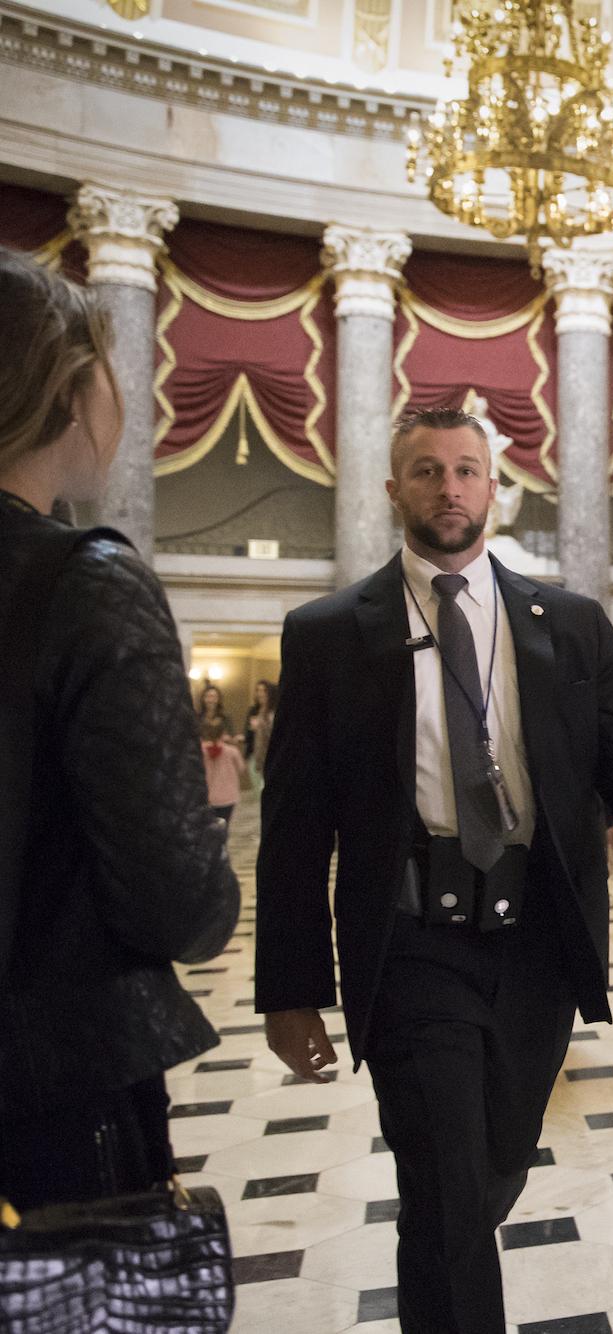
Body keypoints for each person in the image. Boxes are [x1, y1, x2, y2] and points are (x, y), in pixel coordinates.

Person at [256, 407, 613, 1334]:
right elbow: (296, 829)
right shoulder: (331, 633)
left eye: (467, 470)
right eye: (427, 471)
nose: (449, 488)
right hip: (414, 939)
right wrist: (291, 990)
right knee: (452, 1193)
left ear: (494, 489)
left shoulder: (569, 624)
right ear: (393, 490)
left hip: (538, 939)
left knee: (492, 1161)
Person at [0, 248, 240, 1210]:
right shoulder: (84, 582)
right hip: (48, 1088)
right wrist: (212, 814)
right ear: (67, 387)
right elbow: (177, 909)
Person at [199, 717, 248, 830]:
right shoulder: (232, 751)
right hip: (229, 796)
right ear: (223, 733)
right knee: (224, 825)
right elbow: (241, 768)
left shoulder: (201, 751)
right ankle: (223, 846)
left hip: (208, 796)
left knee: (210, 827)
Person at [245, 678, 277, 784]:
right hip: (254, 754)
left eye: (264, 690)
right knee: (257, 788)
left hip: (270, 755)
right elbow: (247, 732)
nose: (260, 693)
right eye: (258, 690)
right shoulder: (253, 711)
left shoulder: (274, 713)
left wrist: (261, 727)